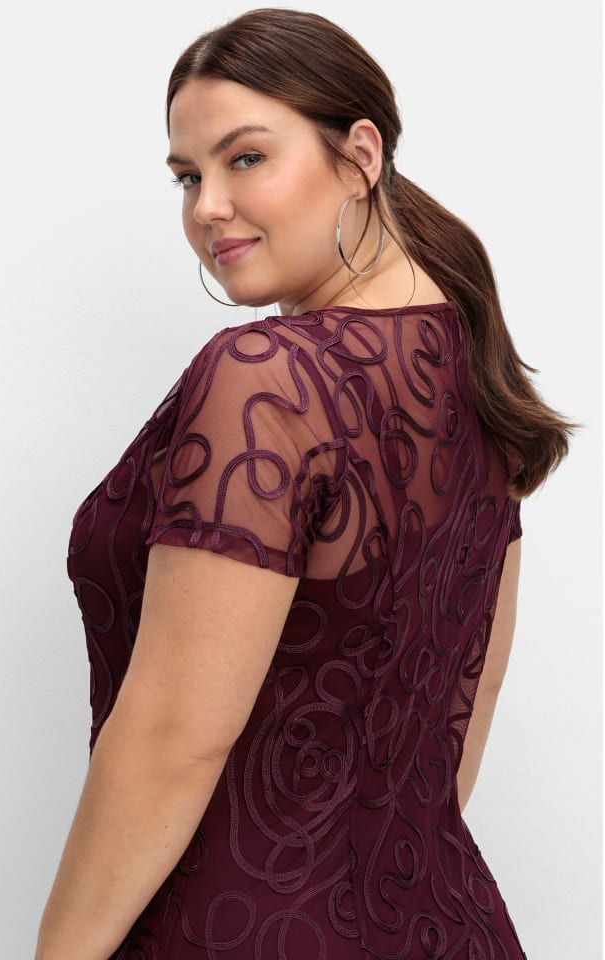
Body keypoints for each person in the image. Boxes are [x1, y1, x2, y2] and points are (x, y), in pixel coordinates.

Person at [35, 9, 577, 959]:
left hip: (238, 930)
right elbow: (462, 715)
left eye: (246, 158)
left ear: (360, 155)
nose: (208, 206)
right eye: (187, 176)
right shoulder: (466, 363)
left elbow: (173, 737)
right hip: (437, 920)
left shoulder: (269, 378)